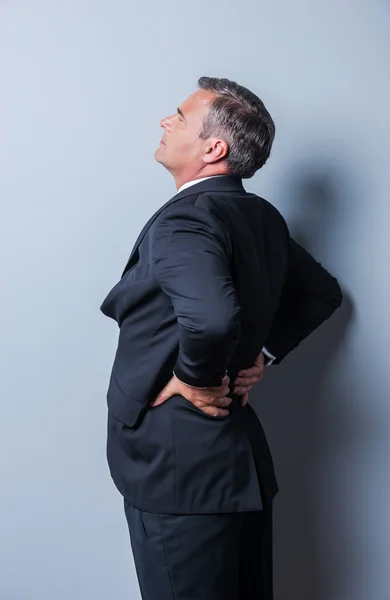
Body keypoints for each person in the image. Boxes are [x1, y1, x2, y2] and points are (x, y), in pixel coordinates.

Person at [100, 76, 342, 600]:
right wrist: (264, 352)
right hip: (237, 467)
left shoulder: (186, 220)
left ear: (214, 148)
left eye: (180, 117)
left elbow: (210, 319)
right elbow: (323, 293)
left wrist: (192, 379)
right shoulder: (259, 216)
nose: (166, 121)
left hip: (180, 469)